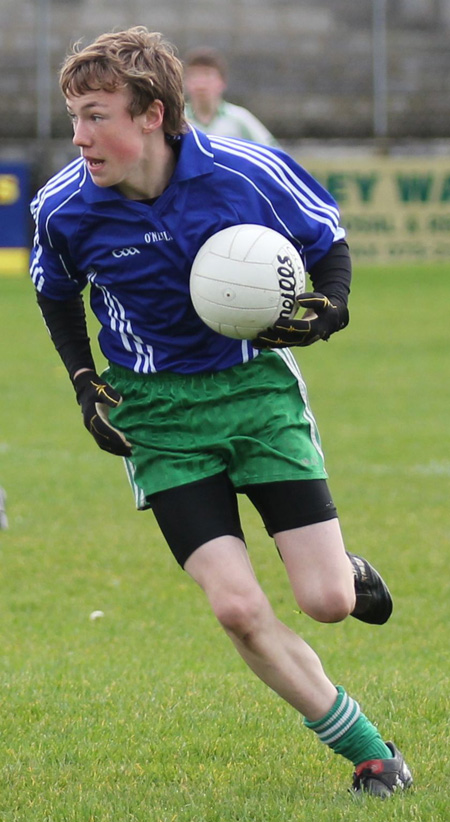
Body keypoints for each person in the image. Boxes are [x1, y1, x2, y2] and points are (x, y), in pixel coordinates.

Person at [29, 26, 412, 798]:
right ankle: (372, 756)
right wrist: (82, 380)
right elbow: (55, 291)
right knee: (237, 608)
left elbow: (326, 236)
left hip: (255, 393)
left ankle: (346, 573)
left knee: (328, 602)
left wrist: (327, 310)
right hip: (160, 416)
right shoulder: (64, 206)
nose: (80, 137)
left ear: (152, 114)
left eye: (96, 115)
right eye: (73, 116)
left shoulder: (245, 170)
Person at [184, 45, 278, 145]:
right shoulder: (179, 120)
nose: (201, 84)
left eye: (207, 75)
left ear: (222, 82)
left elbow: (272, 148)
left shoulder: (239, 118)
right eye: (194, 75)